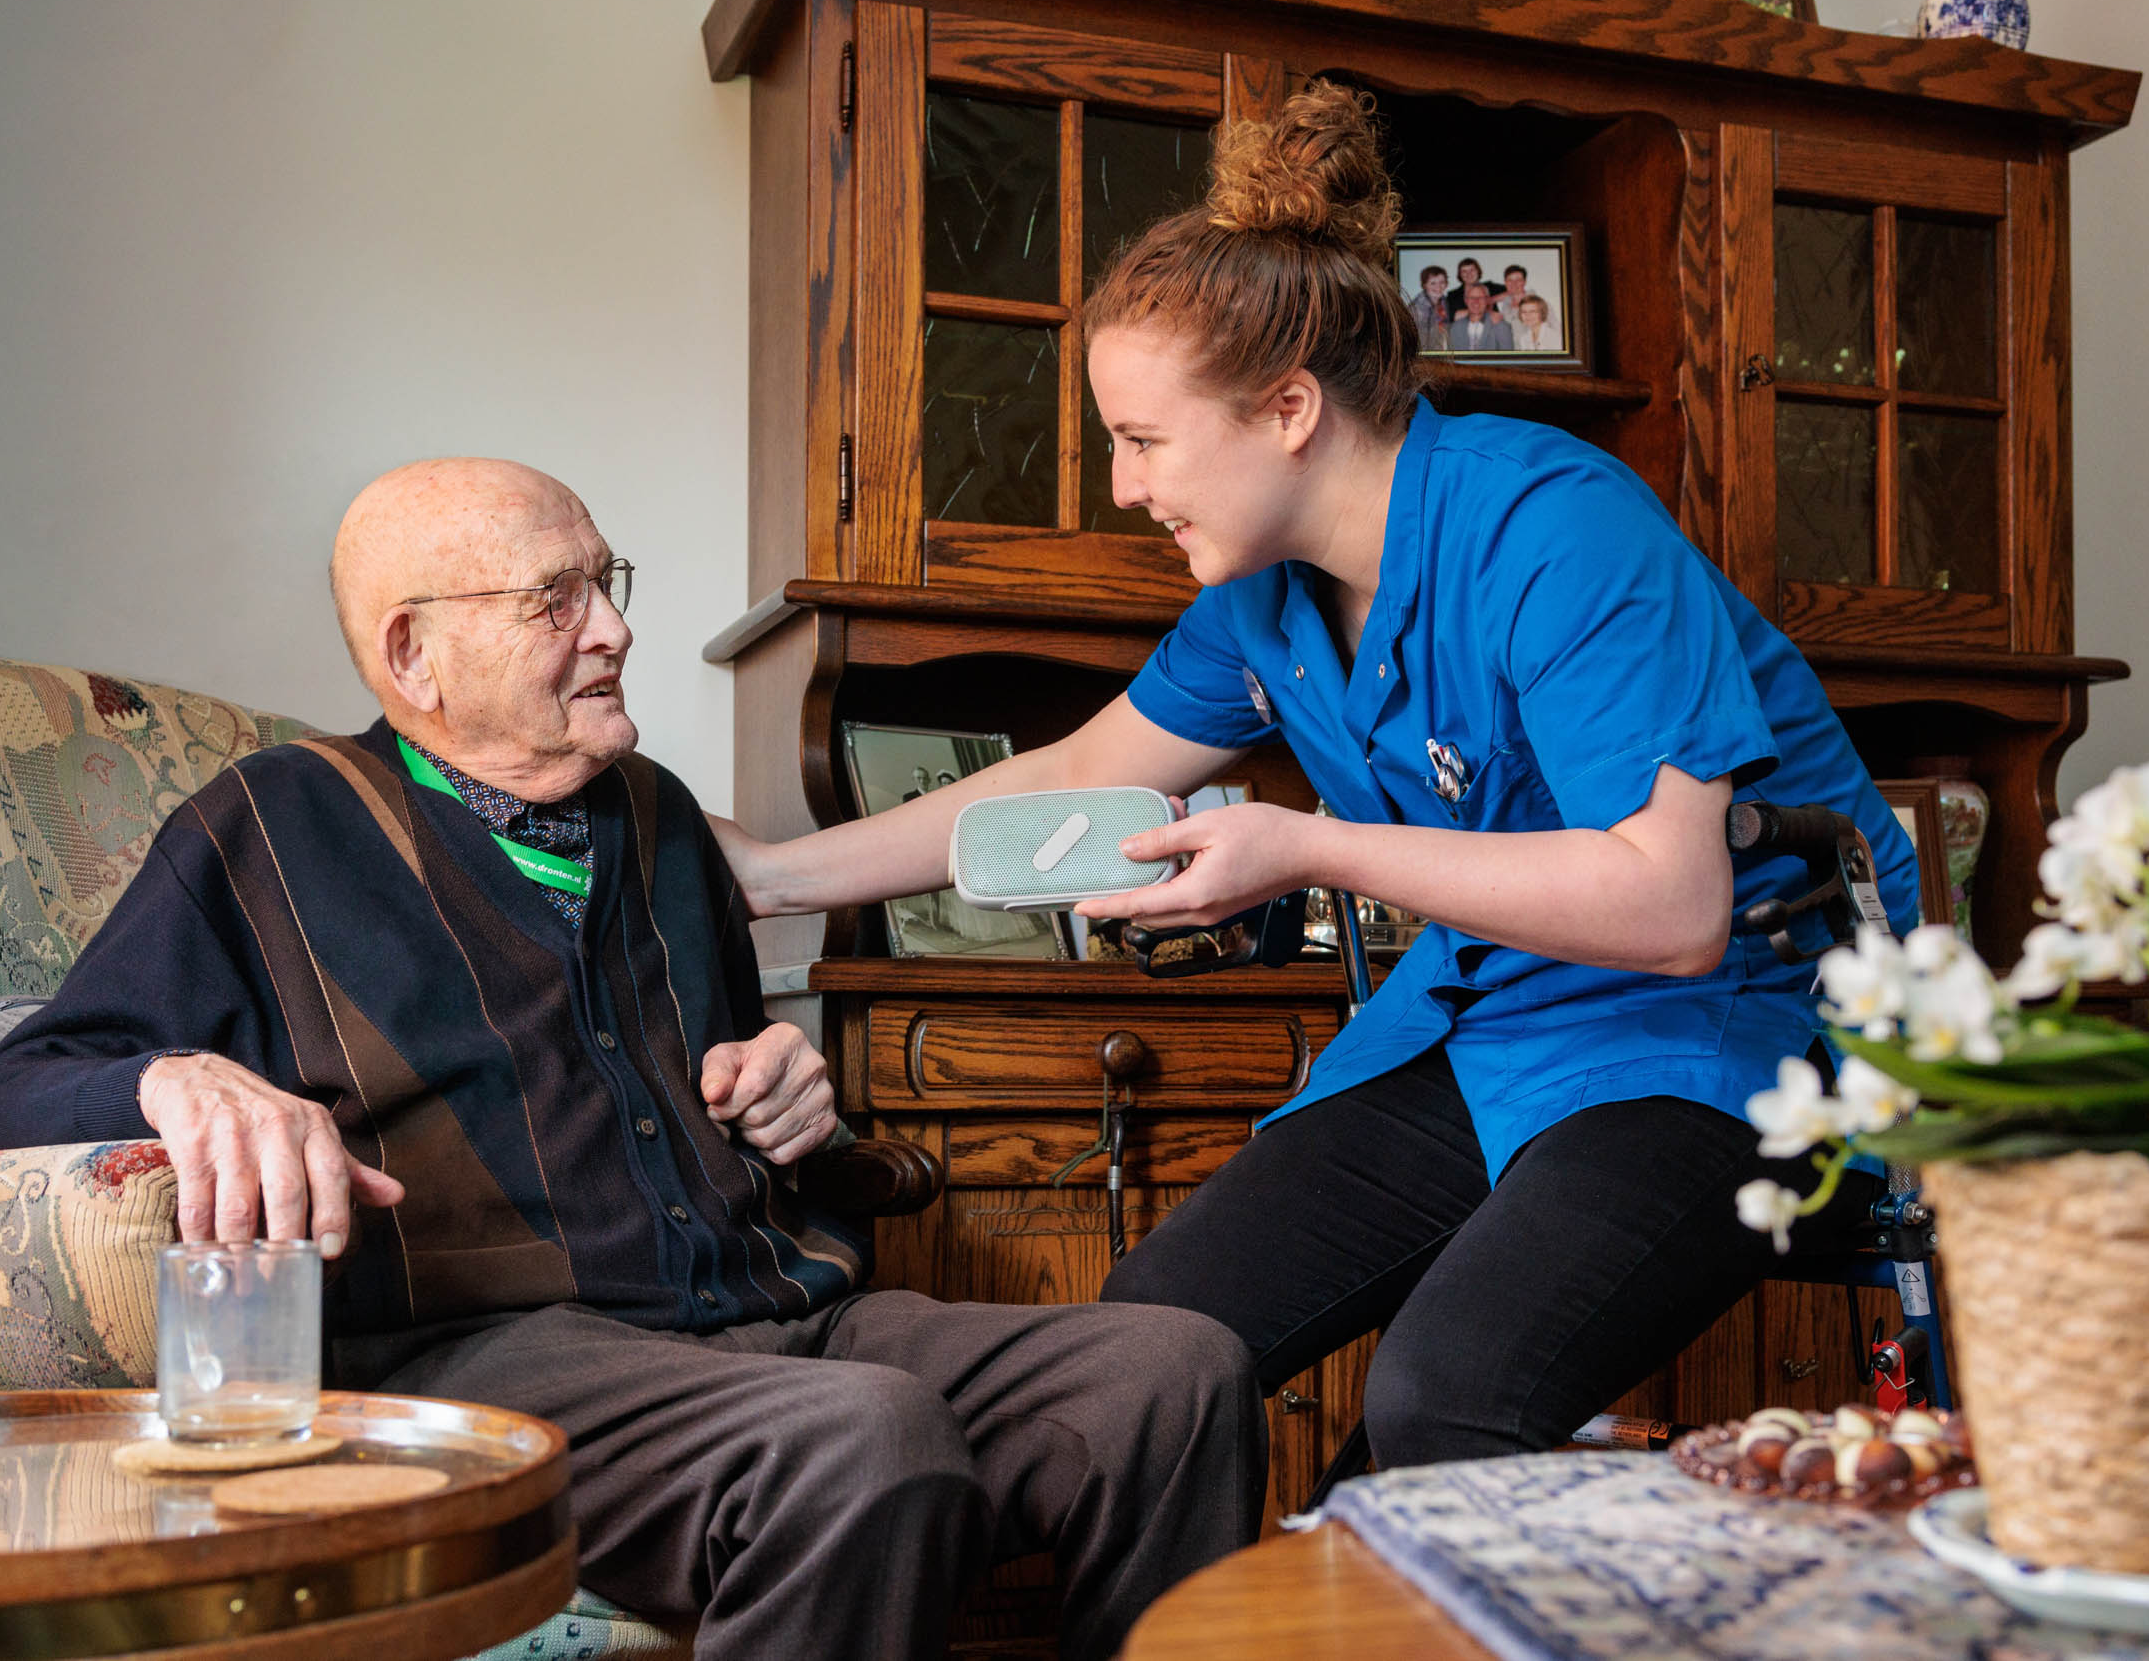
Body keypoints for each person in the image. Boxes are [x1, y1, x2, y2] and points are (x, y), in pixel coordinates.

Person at [712, 83, 1916, 1471]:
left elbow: (1673, 908)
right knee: (1143, 1350)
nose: (1122, 487)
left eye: (1143, 441)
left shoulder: (1554, 526)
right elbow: (1077, 768)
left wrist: (1305, 846)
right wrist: (773, 876)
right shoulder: (1261, 606)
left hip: (1735, 1033)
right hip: (1492, 1019)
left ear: (1288, 408)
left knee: (1441, 1400)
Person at [0, 459, 1263, 1661]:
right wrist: (175, 1077)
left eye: (607, 584)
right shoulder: (271, 825)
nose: (613, 629)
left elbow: (740, 1111)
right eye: (557, 599)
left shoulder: (660, 819)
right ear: (413, 653)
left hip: (776, 1322)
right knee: (859, 1439)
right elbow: (25, 1079)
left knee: (1173, 1372)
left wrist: (797, 1108)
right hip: (482, 1364)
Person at [1446, 278, 1512, 351]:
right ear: (1466, 300)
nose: (1476, 301)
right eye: (1472, 297)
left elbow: (1507, 356)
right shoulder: (1455, 327)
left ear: (1487, 300)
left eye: (1480, 297)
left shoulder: (1501, 327)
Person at [1406, 263, 1452, 349]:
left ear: (1446, 284)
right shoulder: (1416, 308)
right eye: (1433, 283)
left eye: (1442, 282)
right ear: (1424, 285)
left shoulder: (1444, 302)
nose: (1438, 287)